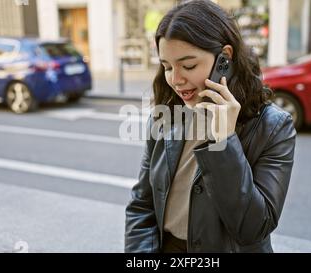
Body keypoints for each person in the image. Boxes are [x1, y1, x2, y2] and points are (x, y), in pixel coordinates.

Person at [125, 0, 296, 253]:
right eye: (167, 66)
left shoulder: (273, 127)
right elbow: (142, 205)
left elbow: (253, 228)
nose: (175, 79)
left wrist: (225, 141)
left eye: (189, 65)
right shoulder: (165, 116)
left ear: (224, 59)